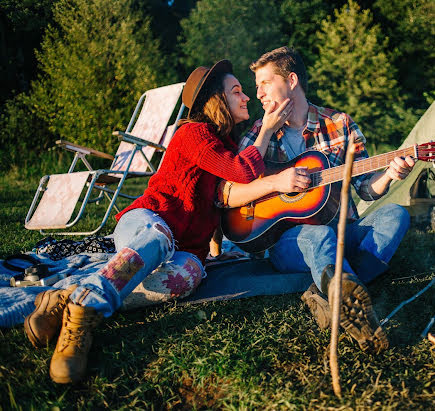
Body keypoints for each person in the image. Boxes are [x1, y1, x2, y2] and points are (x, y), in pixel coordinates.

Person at [23, 60, 291, 384]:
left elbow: (219, 204)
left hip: (184, 247)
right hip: (148, 221)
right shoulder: (193, 133)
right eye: (236, 91)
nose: (246, 96)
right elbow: (242, 172)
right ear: (215, 99)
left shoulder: (223, 146)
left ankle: (67, 296)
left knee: (188, 275)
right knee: (159, 237)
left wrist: (216, 252)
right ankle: (85, 311)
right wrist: (266, 130)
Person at [217, 47, 415, 353]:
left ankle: (329, 291)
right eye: (256, 86)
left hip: (344, 231)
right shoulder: (260, 132)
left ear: (291, 80)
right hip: (290, 243)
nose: (257, 94)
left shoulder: (340, 124)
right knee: (317, 232)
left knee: (395, 215)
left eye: (264, 83)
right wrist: (277, 178)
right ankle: (349, 293)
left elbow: (364, 189)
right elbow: (229, 192)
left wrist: (389, 174)